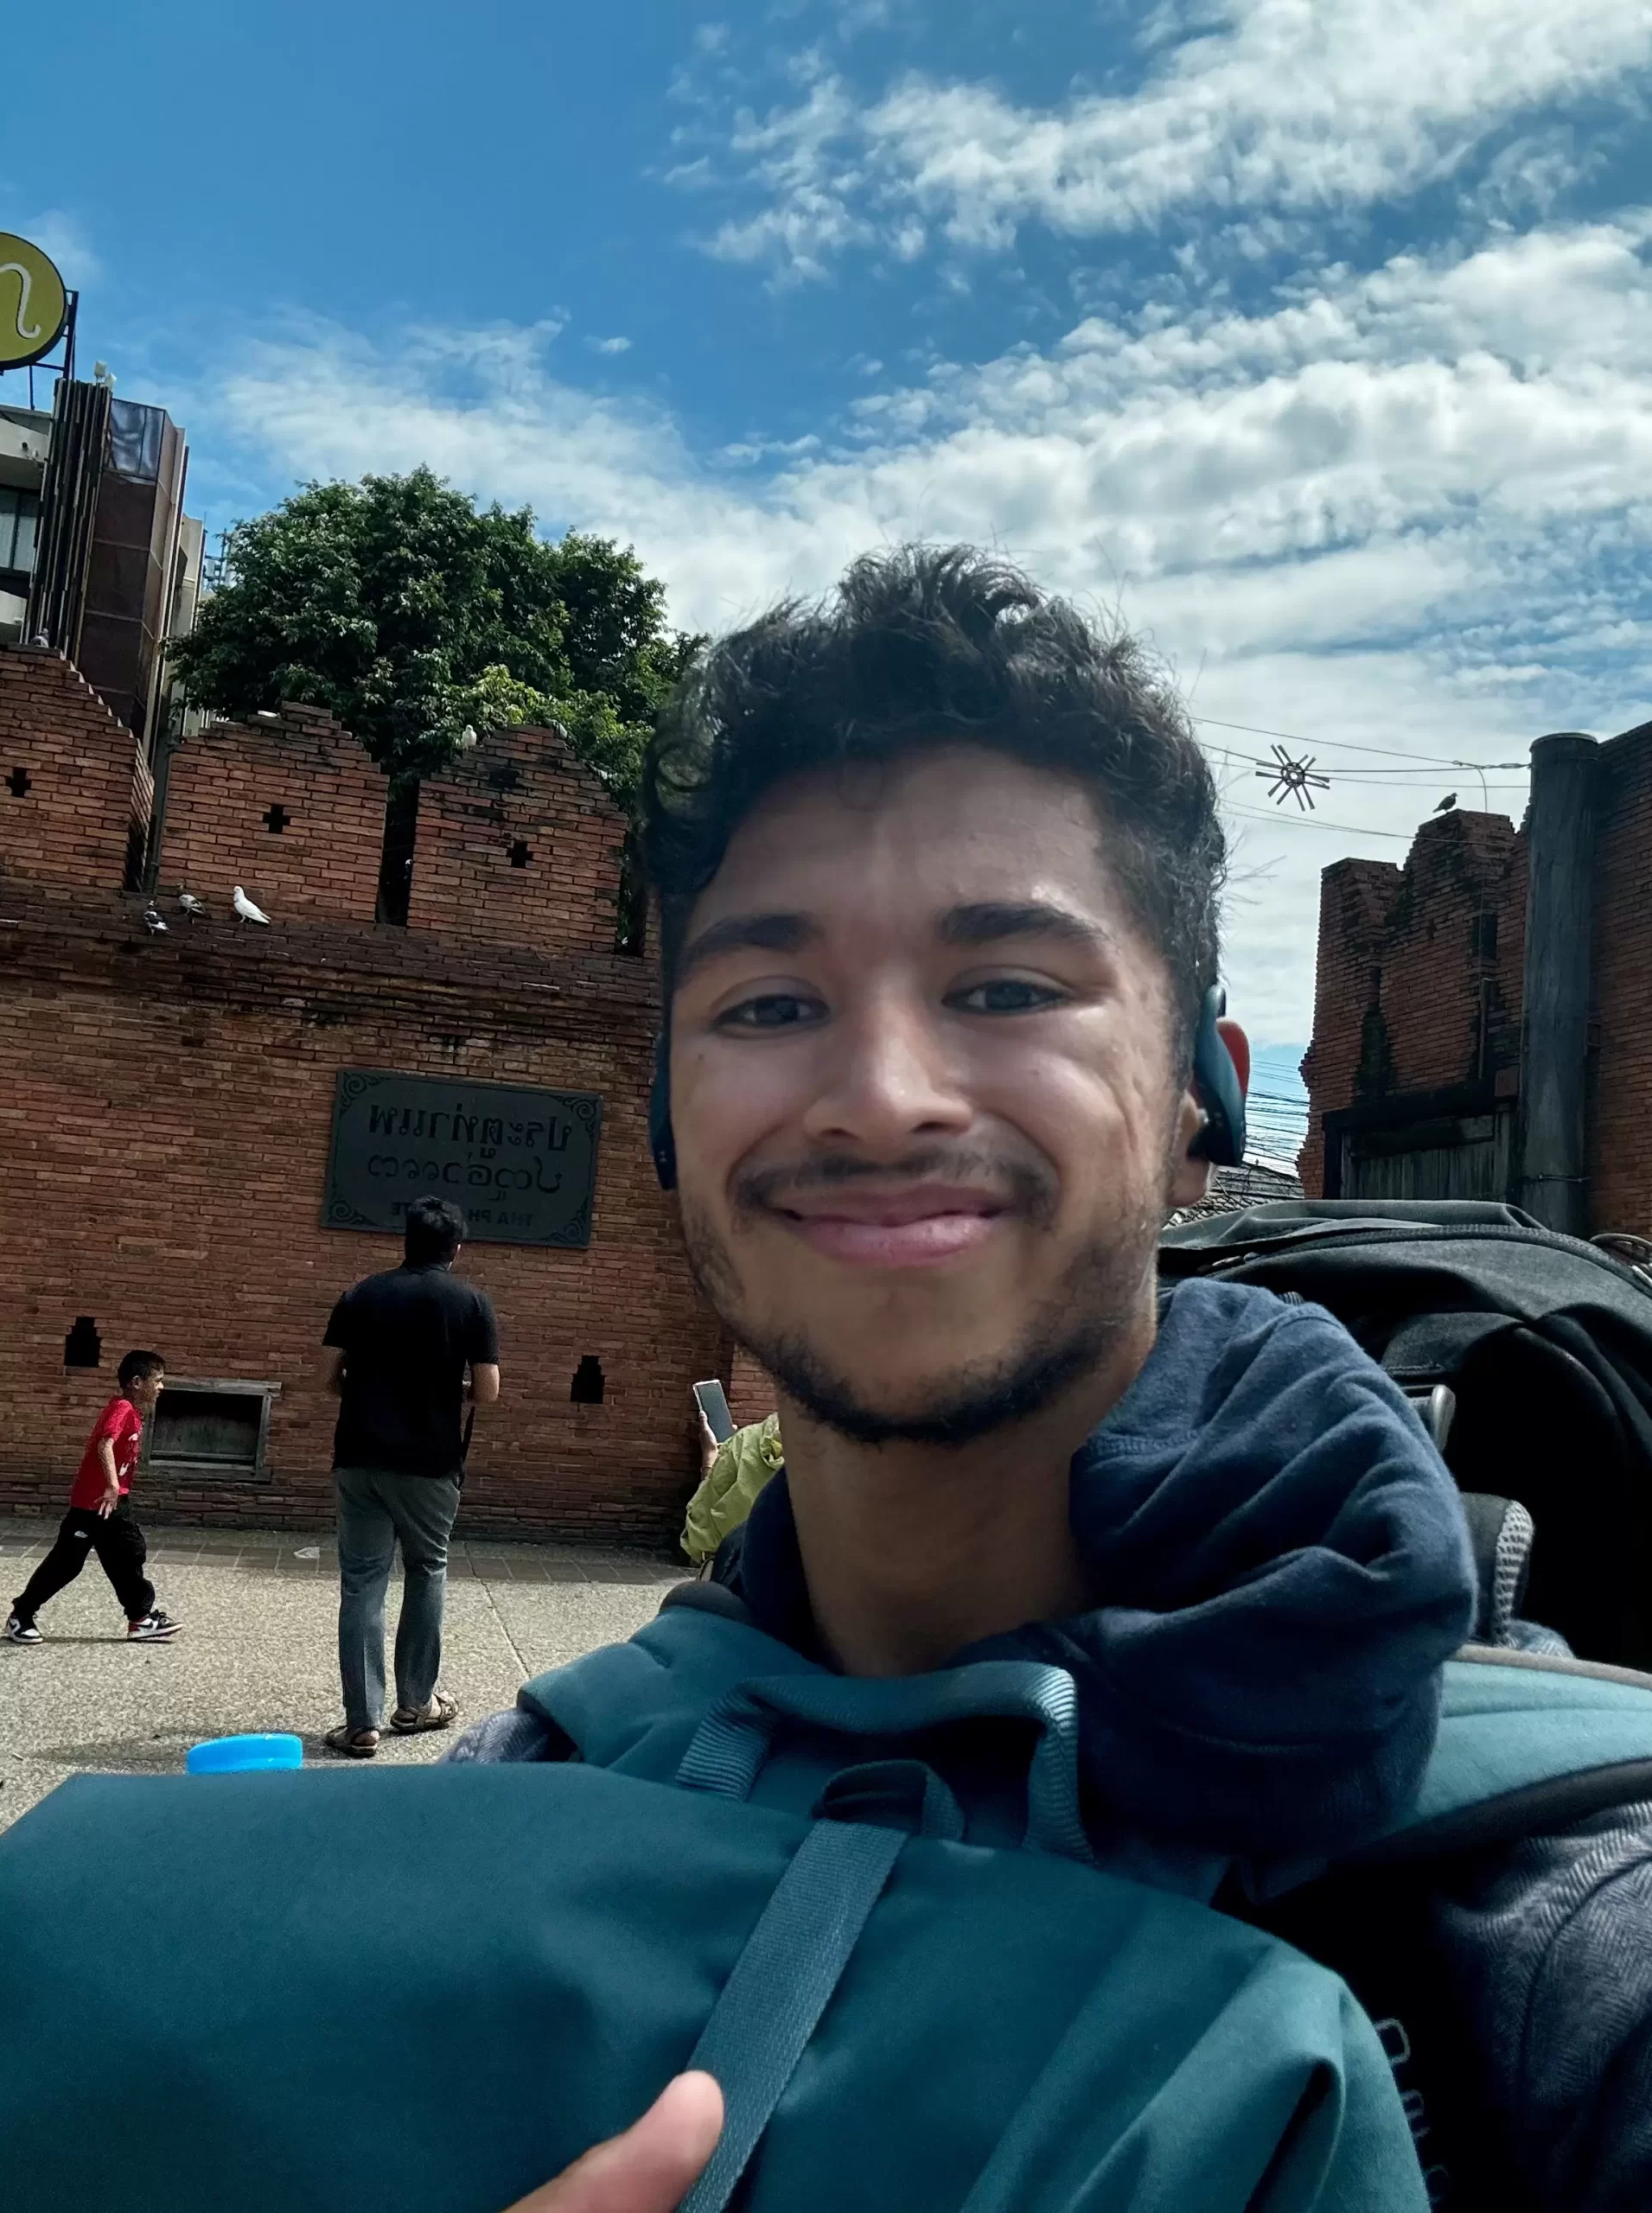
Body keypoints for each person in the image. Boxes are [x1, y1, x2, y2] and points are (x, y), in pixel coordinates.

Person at [456, 546, 1501, 2207]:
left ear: (1202, 1095)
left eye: (1008, 988)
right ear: (666, 1109)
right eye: (771, 1002)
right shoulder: (528, 1792)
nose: (881, 1098)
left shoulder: (1550, 1910)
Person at [318, 1195, 500, 1757]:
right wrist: (445, 1389)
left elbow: (328, 1377)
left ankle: (361, 1722)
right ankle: (416, 1703)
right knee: (427, 1570)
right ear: (456, 1247)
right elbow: (488, 1390)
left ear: (406, 1240)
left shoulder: (360, 1294)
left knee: (362, 1582)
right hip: (430, 1462)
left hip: (359, 1455)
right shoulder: (472, 1302)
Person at [3, 1349, 182, 1644]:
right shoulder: (121, 1408)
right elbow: (104, 1445)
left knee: (124, 1555)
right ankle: (20, 1616)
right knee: (69, 1563)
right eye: (158, 1380)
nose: (161, 1386)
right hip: (96, 1503)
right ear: (137, 1382)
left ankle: (140, 1619)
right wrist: (112, 1486)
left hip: (108, 1502)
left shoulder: (132, 1411)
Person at [681, 1406, 782, 1569]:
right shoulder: (824, 1461)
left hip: (732, 1567)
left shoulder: (746, 1440)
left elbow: (703, 1518)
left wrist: (710, 1455)